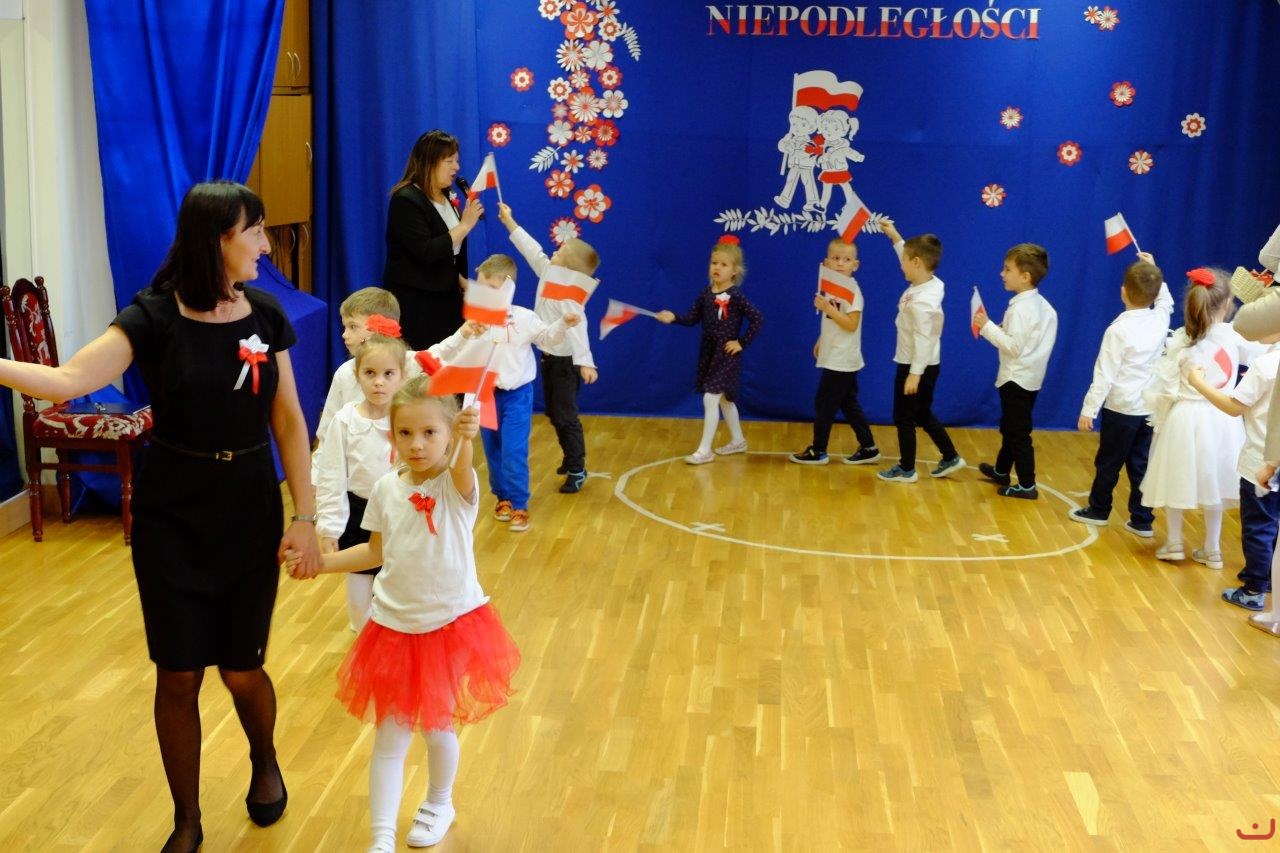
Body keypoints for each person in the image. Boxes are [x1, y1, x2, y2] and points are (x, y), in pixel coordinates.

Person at [0, 180, 322, 851]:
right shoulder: (150, 316)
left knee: (241, 669)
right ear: (218, 239)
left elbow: (290, 419)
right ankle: (187, 818)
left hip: (248, 508)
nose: (266, 245)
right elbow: (65, 382)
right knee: (177, 673)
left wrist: (306, 517)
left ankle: (264, 760)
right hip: (172, 513)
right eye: (255, 231)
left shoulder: (265, 314)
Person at [285, 376, 519, 852]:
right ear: (391, 435)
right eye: (406, 433)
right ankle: (381, 837)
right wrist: (322, 564)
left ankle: (439, 803)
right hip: (392, 627)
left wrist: (468, 441)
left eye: (431, 433)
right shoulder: (386, 488)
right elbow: (375, 552)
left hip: (449, 625)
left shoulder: (457, 486)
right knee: (389, 737)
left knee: (436, 727)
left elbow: (462, 467)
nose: (417, 444)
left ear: (450, 434)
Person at [434, 254, 578, 532]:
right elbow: (459, 353)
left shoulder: (525, 318)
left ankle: (520, 503)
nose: (483, 294)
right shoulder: (476, 320)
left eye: (490, 288)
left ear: (507, 286)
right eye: (481, 287)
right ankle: (503, 498)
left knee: (514, 449)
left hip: (517, 396)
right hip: (485, 396)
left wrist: (563, 323)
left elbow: (547, 338)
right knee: (493, 451)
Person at [1142, 268, 1250, 568]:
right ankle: (1212, 549)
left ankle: (1175, 543)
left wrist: (1159, 423)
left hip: (1184, 418)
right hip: (1222, 419)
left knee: (1176, 478)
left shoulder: (1181, 340)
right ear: (1227, 304)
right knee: (1215, 480)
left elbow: (1166, 388)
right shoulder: (1236, 336)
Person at [496, 201, 601, 493]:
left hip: (566, 364)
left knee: (565, 416)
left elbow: (578, 326)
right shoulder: (548, 272)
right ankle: (571, 456)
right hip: (549, 358)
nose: (553, 252)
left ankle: (577, 468)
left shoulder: (567, 294)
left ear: (567, 268)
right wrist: (509, 222)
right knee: (555, 413)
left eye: (560, 252)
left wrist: (585, 362)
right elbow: (532, 250)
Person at [1068, 257, 1173, 534]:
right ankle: (1142, 519)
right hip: (1148, 408)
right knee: (1140, 464)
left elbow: (1104, 374)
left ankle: (1099, 509)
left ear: (1123, 291)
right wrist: (1156, 272)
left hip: (1121, 409)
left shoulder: (1117, 331)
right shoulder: (1160, 319)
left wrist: (1089, 409)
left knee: (1109, 462)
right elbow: (1166, 302)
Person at [313, 334, 407, 630]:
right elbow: (331, 476)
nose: (379, 382)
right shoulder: (345, 420)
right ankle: (364, 638)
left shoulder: (407, 419)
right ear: (357, 375)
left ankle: (392, 638)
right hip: (358, 514)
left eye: (388, 374)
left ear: (402, 376)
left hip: (399, 513)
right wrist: (329, 527)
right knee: (358, 598)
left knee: (397, 590)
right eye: (370, 373)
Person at [1188, 327, 1280, 610]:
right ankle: (1269, 577)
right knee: (1273, 525)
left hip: (1261, 461)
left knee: (1259, 526)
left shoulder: (1265, 365)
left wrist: (1197, 382)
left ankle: (1253, 589)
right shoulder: (1266, 359)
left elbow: (1233, 406)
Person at [656, 235, 764, 464]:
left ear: (734, 271)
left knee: (711, 397)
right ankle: (738, 440)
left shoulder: (736, 295)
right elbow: (691, 319)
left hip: (726, 354)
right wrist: (673, 317)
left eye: (724, 264)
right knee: (725, 400)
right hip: (709, 352)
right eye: (714, 263)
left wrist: (741, 343)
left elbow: (757, 319)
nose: (717, 267)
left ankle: (705, 450)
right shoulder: (706, 294)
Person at [875, 221, 965, 483]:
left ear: (916, 263)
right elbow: (910, 255)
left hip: (914, 364)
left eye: (904, 261)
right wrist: (895, 237)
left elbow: (924, 339)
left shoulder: (923, 302)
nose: (900, 265)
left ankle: (907, 468)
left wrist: (914, 374)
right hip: (927, 364)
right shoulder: (931, 282)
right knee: (922, 413)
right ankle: (951, 456)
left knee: (903, 416)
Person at [384, 130, 484, 350]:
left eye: (457, 161)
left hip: (447, 299)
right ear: (429, 162)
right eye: (449, 161)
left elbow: (451, 252)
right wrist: (465, 225)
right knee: (422, 363)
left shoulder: (446, 195)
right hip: (417, 304)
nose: (457, 167)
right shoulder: (406, 200)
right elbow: (427, 251)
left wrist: (461, 281)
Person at [972, 243, 1058, 499]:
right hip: (1031, 378)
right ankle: (1001, 470)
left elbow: (1014, 347)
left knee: (1018, 432)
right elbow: (1028, 341)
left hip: (1015, 379)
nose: (1002, 273)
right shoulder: (1043, 306)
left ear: (1025, 276)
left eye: (1007, 269)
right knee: (1011, 426)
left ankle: (1027, 485)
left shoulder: (1021, 309)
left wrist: (987, 326)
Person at [790, 237, 879, 465]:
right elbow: (833, 322)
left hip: (842, 358)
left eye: (846, 260)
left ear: (855, 265)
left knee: (824, 403)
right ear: (826, 262)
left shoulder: (852, 291)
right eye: (836, 258)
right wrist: (822, 340)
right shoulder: (831, 288)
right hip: (835, 354)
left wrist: (827, 308)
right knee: (848, 403)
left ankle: (818, 450)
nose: (840, 263)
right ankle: (869, 447)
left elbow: (851, 324)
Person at [318, 287, 421, 439]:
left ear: (379, 328)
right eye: (345, 327)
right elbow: (327, 431)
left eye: (353, 326)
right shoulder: (345, 372)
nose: (344, 334)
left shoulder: (412, 364)